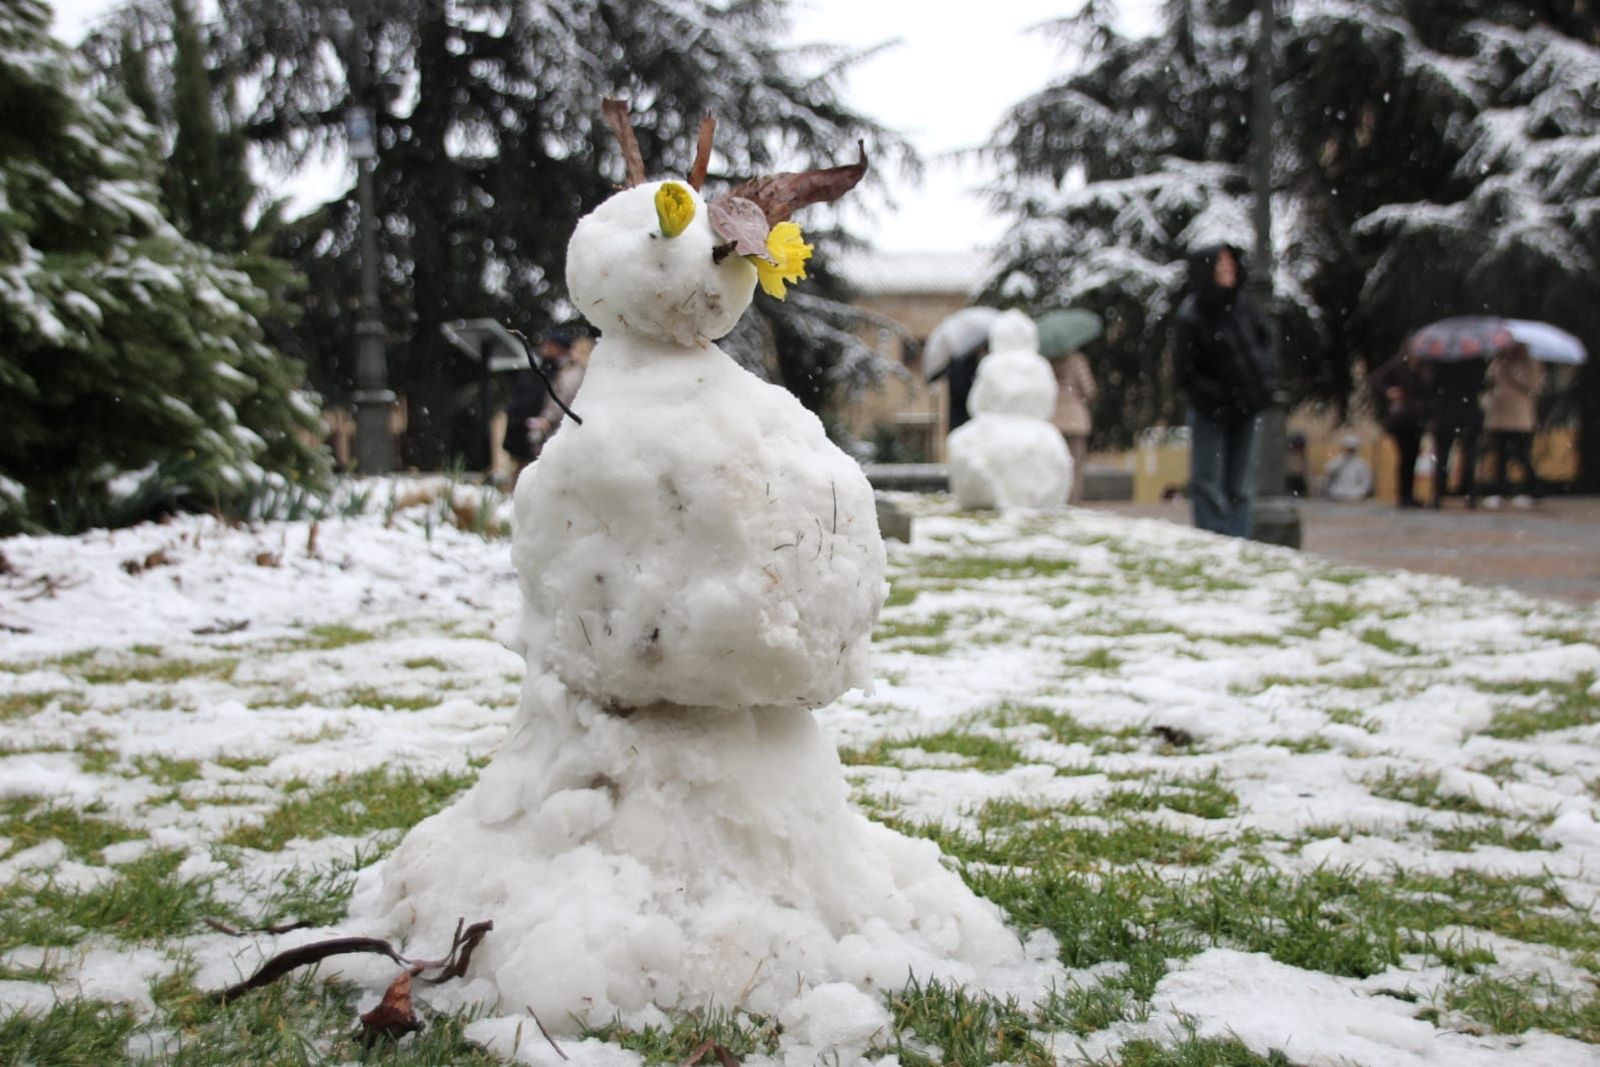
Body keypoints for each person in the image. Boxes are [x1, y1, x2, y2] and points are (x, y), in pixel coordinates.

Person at [1173, 243, 1276, 538]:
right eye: (1221, 265)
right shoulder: (1193, 315)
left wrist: (1261, 383)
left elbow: (1264, 343)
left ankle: (1238, 537)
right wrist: (1217, 395)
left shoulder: (1244, 307)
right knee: (1207, 479)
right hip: (1211, 409)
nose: (1228, 271)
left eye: (1230, 264)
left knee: (1241, 483)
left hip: (1248, 406)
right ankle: (1213, 537)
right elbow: (1186, 371)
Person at [1482, 342, 1544, 508]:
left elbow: (1534, 385)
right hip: (1499, 415)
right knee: (1500, 455)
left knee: (1521, 454)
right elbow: (1489, 381)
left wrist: (1512, 374)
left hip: (1520, 417)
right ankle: (1498, 490)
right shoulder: (1498, 363)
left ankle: (1531, 489)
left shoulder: (1529, 364)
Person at [1366, 349, 1430, 507]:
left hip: (1416, 419)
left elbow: (1426, 391)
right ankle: (1404, 494)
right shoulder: (1397, 367)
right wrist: (1389, 390)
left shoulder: (1423, 369)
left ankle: (1407, 494)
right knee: (1405, 455)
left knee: (1412, 456)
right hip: (1400, 419)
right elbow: (1376, 378)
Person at [1423, 353, 1488, 508]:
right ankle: (1469, 494)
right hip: (1468, 415)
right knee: (1469, 456)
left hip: (1447, 415)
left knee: (1443, 457)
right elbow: (1482, 386)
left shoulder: (1441, 363)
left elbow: (1431, 387)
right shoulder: (1475, 363)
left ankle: (1439, 494)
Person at [1049, 348, 1097, 503]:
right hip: (1075, 418)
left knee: (1055, 465)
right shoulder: (1076, 360)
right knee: (1075, 464)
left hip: (1053, 418)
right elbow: (1089, 389)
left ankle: (1055, 498)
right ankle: (1073, 500)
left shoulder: (1046, 361)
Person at [1322, 433, 1374, 501]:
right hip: (1337, 494)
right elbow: (1328, 471)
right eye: (1348, 448)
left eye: (1352, 449)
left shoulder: (1361, 464)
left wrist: (1361, 492)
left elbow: (1366, 481)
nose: (1350, 451)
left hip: (1355, 495)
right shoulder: (1336, 461)